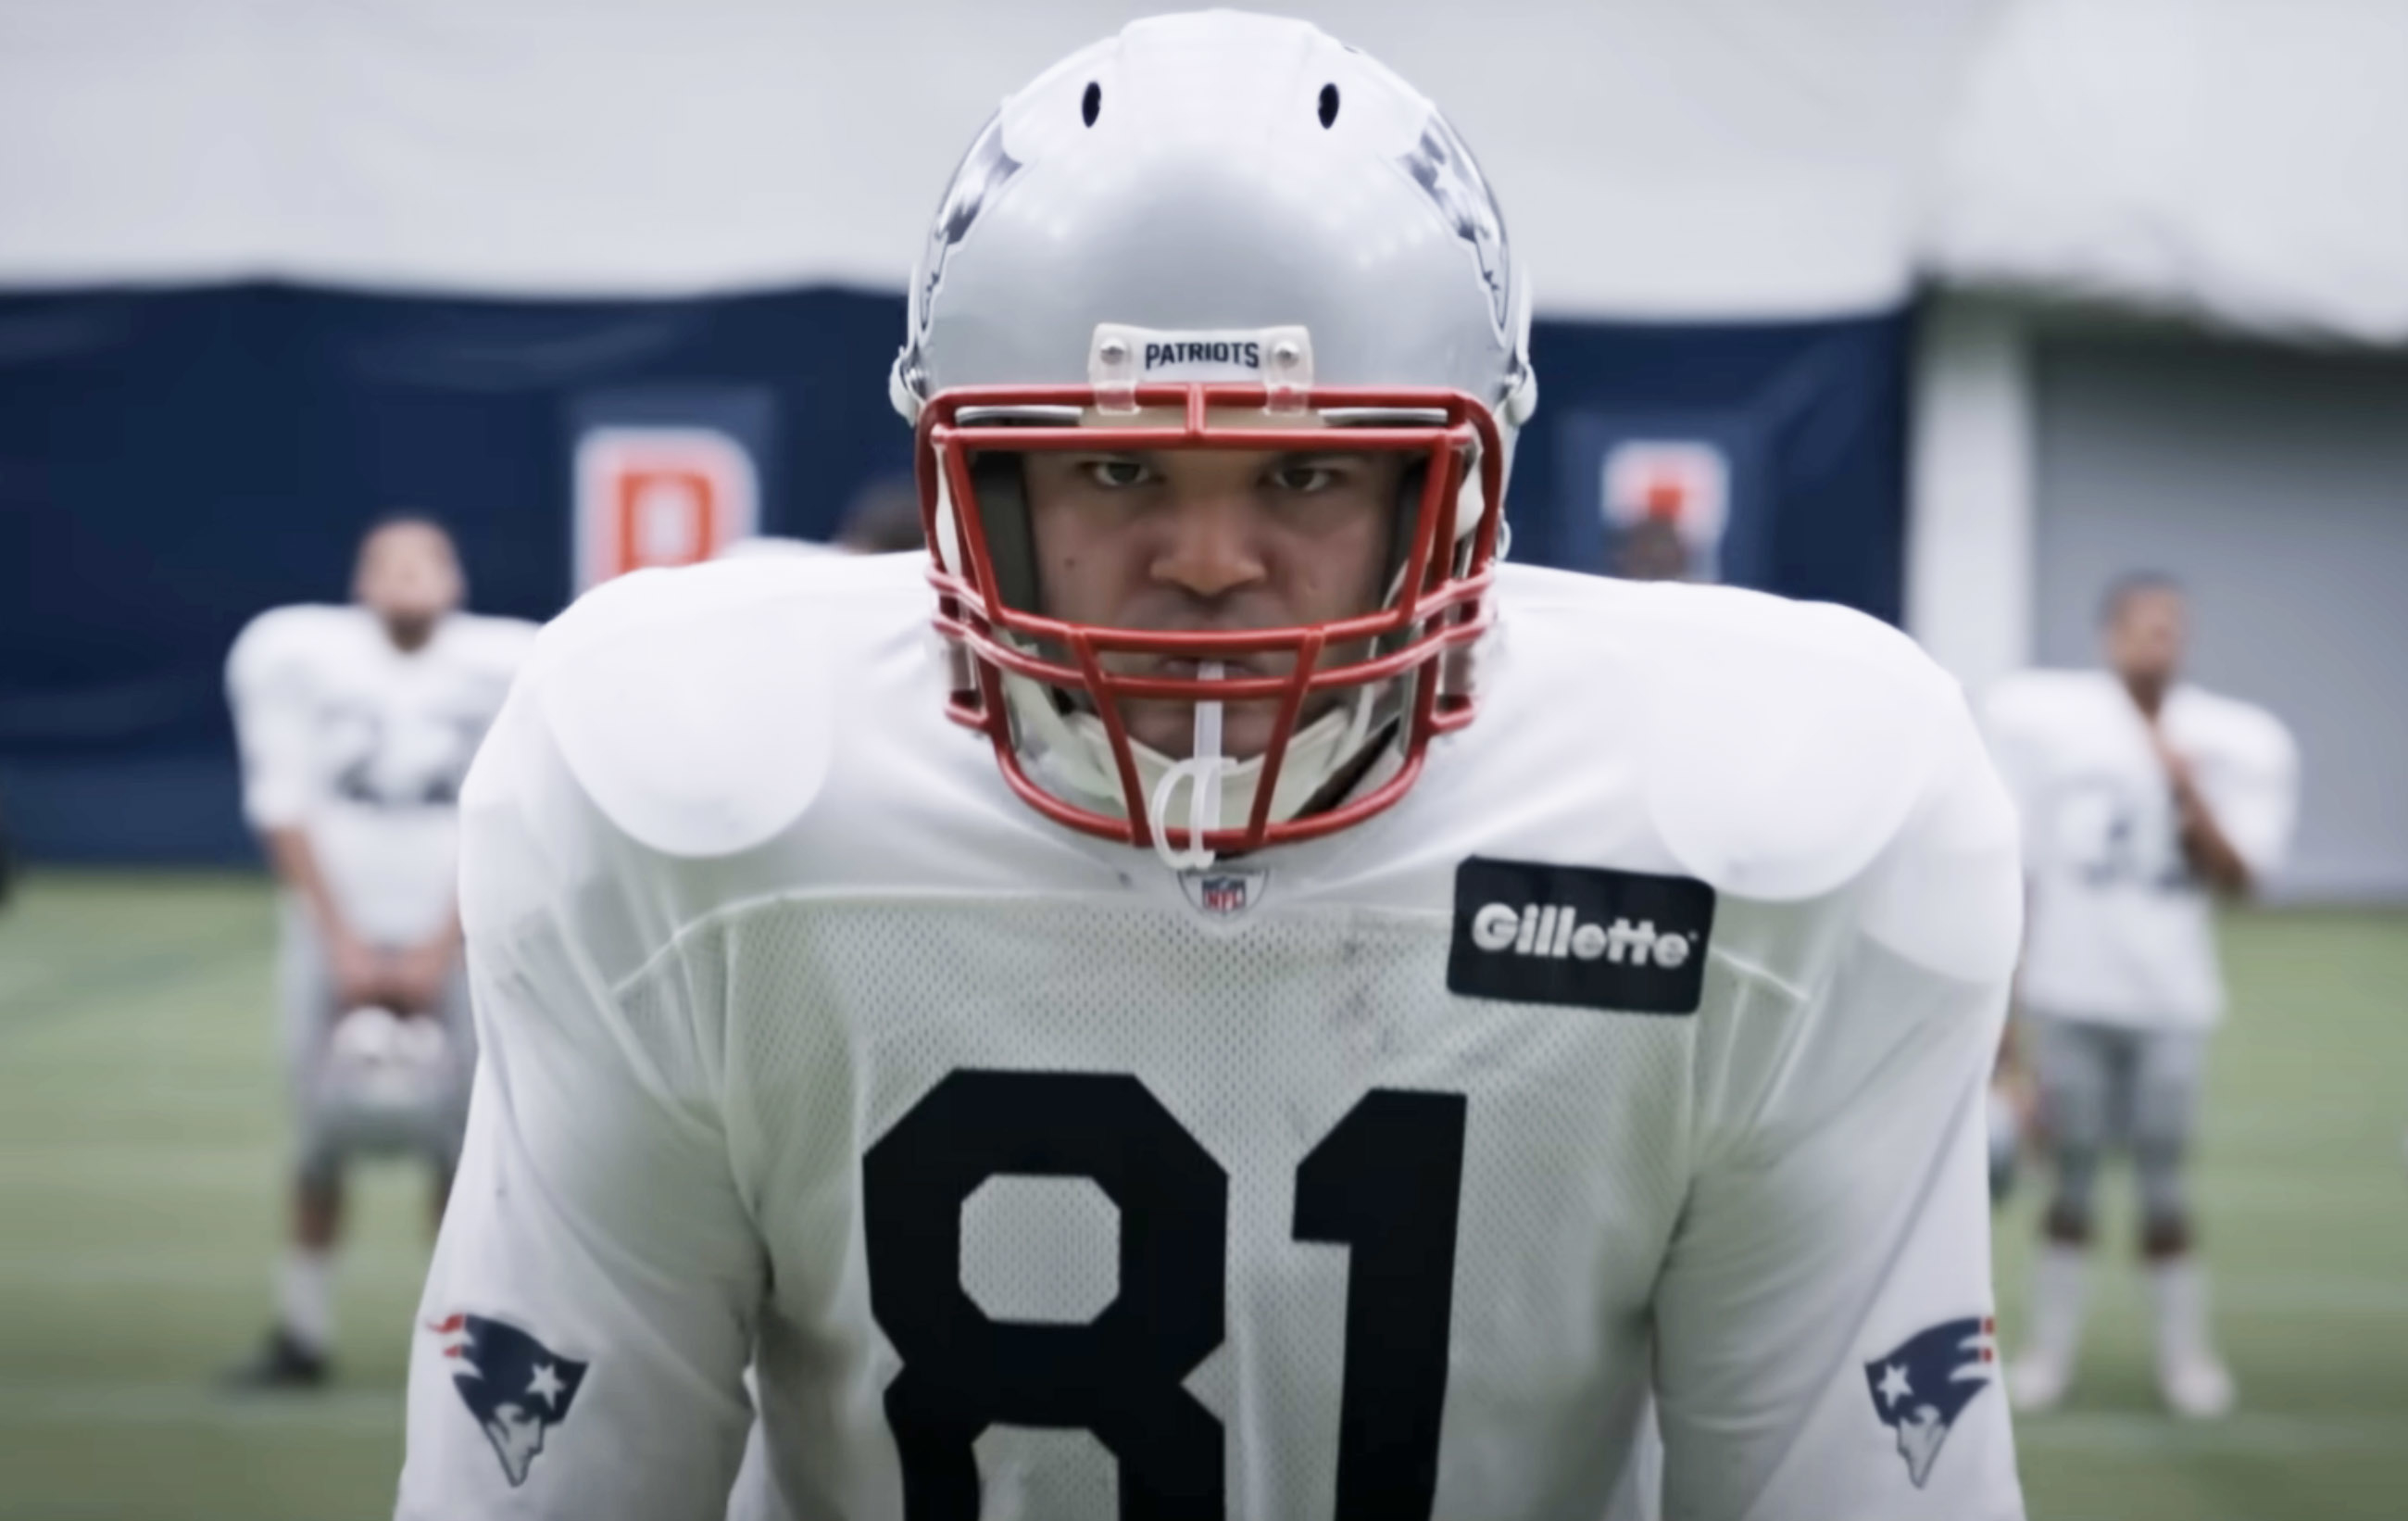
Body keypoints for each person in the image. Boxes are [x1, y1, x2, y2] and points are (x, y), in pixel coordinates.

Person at [397, 14, 2027, 1517]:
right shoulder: (703, 789)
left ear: (1458, 487)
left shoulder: (1749, 819)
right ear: (979, 481)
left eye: (1310, 468)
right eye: (1114, 465)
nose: (1206, 560)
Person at [222, 516, 535, 1387]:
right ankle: (301, 1331)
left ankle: (460, 1341)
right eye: (387, 563)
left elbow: (517, 814)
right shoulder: (295, 653)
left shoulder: (512, 661)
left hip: (466, 930)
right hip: (336, 930)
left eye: (426, 560)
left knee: (468, 1148)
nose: (407, 577)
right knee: (318, 1138)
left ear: (458, 578)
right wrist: (345, 942)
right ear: (360, 581)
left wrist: (446, 941)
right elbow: (281, 803)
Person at [1987, 574, 2297, 1419]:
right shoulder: (2049, 723)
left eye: (2172, 631)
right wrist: (2006, 1017)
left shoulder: (2227, 738)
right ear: (2109, 635)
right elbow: (2017, 867)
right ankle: (2048, 1351)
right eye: (2145, 628)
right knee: (2072, 1184)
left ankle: (2184, 1355)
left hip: (2171, 998)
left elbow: (2243, 879)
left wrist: (2185, 786)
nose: (2159, 645)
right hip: (2074, 992)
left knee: (2165, 1187)